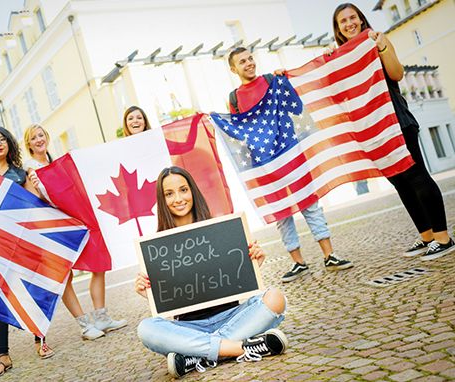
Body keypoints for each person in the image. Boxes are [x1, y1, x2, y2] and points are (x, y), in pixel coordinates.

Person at [135, 166, 288, 378]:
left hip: (233, 317)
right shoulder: (156, 246)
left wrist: (253, 263)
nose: (178, 198)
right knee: (146, 328)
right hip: (189, 328)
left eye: (183, 190)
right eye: (169, 194)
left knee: (275, 298)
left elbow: (238, 275)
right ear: (162, 200)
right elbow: (165, 300)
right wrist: (149, 292)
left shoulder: (221, 230)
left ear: (193, 192)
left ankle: (197, 356)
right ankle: (239, 348)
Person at [330, 3, 454, 260]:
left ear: (361, 20)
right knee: (401, 184)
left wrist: (381, 46)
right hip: (373, 129)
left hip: (396, 120)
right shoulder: (341, 56)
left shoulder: (377, 40)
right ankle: (426, 236)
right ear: (338, 29)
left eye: (353, 17)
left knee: (417, 176)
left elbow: (396, 73)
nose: (349, 23)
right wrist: (331, 58)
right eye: (343, 21)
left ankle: (444, 238)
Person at [227, 47, 353, 283]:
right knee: (281, 213)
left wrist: (286, 83)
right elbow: (237, 130)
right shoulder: (234, 98)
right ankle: (298, 262)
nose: (249, 63)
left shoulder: (272, 81)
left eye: (250, 58)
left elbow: (295, 107)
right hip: (265, 164)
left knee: (310, 203)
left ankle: (330, 255)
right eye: (242, 62)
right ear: (234, 69)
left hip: (290, 152)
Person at [23, 124, 127, 341]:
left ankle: (101, 317)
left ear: (47, 137)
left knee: (98, 263)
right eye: (34, 138)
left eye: (41, 135)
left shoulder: (56, 162)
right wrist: (39, 187)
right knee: (65, 275)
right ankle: (84, 325)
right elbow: (35, 203)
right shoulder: (30, 169)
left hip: (76, 220)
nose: (39, 140)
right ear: (29, 144)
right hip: (55, 227)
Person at [0, 126, 54, 379]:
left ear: (10, 143)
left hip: (22, 241)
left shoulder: (21, 174)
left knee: (33, 288)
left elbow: (35, 206)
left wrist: (36, 185)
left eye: (2, 139)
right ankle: (2, 355)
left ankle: (39, 339)